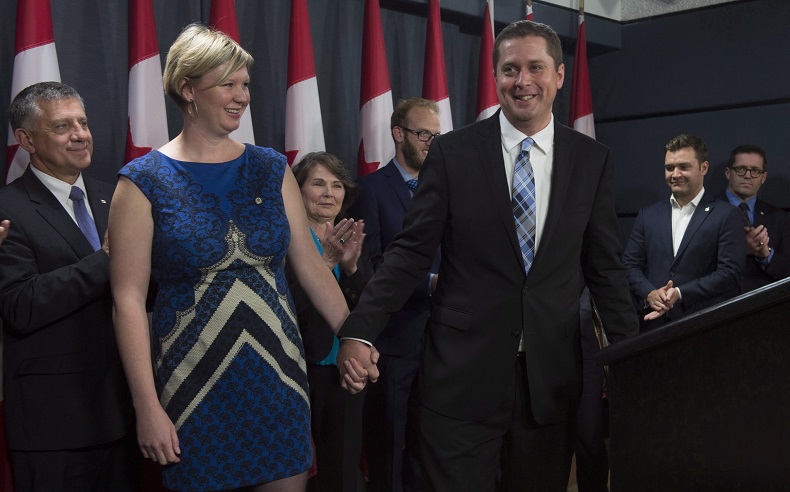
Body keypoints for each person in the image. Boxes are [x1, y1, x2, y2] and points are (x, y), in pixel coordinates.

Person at [337, 20, 638, 491]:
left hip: (549, 384)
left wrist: (633, 354)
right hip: (459, 384)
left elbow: (605, 269)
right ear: (495, 76)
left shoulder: (592, 160)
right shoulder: (452, 153)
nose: (523, 81)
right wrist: (360, 329)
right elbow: (410, 253)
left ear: (559, 75)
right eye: (510, 69)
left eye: (536, 67)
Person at [109, 24, 370, 492]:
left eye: (245, 84)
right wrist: (145, 405)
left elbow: (311, 267)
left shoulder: (271, 168)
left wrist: (353, 335)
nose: (242, 96)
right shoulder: (142, 181)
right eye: (228, 84)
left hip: (278, 384)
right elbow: (127, 300)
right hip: (192, 391)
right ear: (187, 89)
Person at [0, 82, 138, 491]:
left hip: (126, 412)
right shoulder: (7, 209)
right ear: (26, 140)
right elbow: (21, 305)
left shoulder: (116, 198)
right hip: (54, 424)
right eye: (62, 126)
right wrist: (108, 258)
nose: (80, 135)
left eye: (83, 123)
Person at [348, 97, 441, 492]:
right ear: (398, 134)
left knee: (431, 450)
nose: (431, 144)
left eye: (437, 136)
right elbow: (371, 267)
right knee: (388, 447)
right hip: (394, 340)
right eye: (423, 135)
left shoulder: (445, 189)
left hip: (443, 341)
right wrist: (429, 283)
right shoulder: (369, 189)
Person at [286, 152, 371, 492]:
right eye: (318, 184)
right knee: (295, 470)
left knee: (343, 470)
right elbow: (288, 308)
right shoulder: (285, 239)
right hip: (299, 369)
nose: (328, 193)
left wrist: (351, 267)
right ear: (297, 190)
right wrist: (326, 262)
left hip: (345, 369)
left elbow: (369, 308)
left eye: (336, 186)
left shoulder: (348, 236)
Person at [622, 134, 745, 332]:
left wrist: (680, 293)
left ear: (703, 168)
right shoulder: (648, 215)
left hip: (705, 328)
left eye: (684, 167)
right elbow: (629, 265)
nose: (675, 174)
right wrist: (650, 293)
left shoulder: (727, 215)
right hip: (653, 328)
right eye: (669, 167)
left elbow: (730, 273)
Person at [715, 145, 790, 293]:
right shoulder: (706, 211)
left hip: (764, 302)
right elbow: (694, 266)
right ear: (728, 173)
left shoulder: (780, 218)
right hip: (718, 301)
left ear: (763, 177)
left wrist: (766, 254)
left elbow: (787, 271)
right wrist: (741, 249)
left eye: (755, 171)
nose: (748, 176)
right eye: (741, 169)